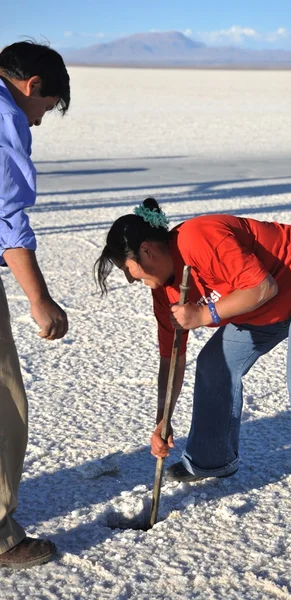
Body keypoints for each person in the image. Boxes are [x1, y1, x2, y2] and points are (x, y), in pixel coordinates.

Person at [96, 197, 291, 560]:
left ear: (146, 251)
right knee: (214, 365)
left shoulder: (200, 237)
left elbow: (262, 287)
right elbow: (171, 358)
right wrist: (163, 418)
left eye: (130, 271)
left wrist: (205, 313)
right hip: (268, 309)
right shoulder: (165, 291)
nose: (133, 280)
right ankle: (212, 458)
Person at [0, 41, 70, 568]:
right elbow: (7, 218)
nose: (40, 122)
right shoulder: (6, 119)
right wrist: (40, 300)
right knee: (4, 403)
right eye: (46, 107)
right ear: (32, 86)